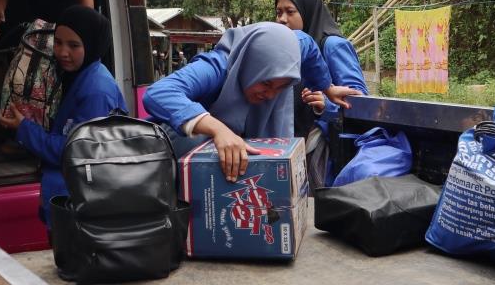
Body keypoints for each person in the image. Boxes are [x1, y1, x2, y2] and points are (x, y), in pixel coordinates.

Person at [143, 22, 361, 182]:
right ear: (250, 67)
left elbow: (308, 45)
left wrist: (328, 88)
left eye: (281, 87)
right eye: (266, 83)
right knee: (197, 136)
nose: (270, 95)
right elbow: (159, 93)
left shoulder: (291, 48)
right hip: (171, 160)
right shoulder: (218, 67)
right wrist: (219, 130)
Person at [0, 5, 126, 226]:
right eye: (57, 42)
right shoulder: (77, 75)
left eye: (73, 45)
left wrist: (24, 128)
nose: (62, 52)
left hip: (79, 208)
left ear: (93, 44)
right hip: (67, 202)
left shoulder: (97, 91)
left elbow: (74, 152)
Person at [276, 0, 368, 186]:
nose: (282, 19)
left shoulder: (332, 45)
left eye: (290, 12)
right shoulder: (288, 50)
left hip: (326, 152)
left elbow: (361, 102)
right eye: (278, 12)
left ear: (308, 11)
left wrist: (326, 106)